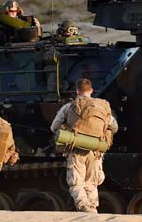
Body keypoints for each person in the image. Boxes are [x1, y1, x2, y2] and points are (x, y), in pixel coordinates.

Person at [50, 79, 118, 213]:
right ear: (92, 91)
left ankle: (84, 206)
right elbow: (114, 127)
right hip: (96, 150)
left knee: (76, 182)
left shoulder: (70, 106)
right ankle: (92, 208)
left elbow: (54, 127)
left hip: (76, 149)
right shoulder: (102, 107)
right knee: (91, 183)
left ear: (77, 91)